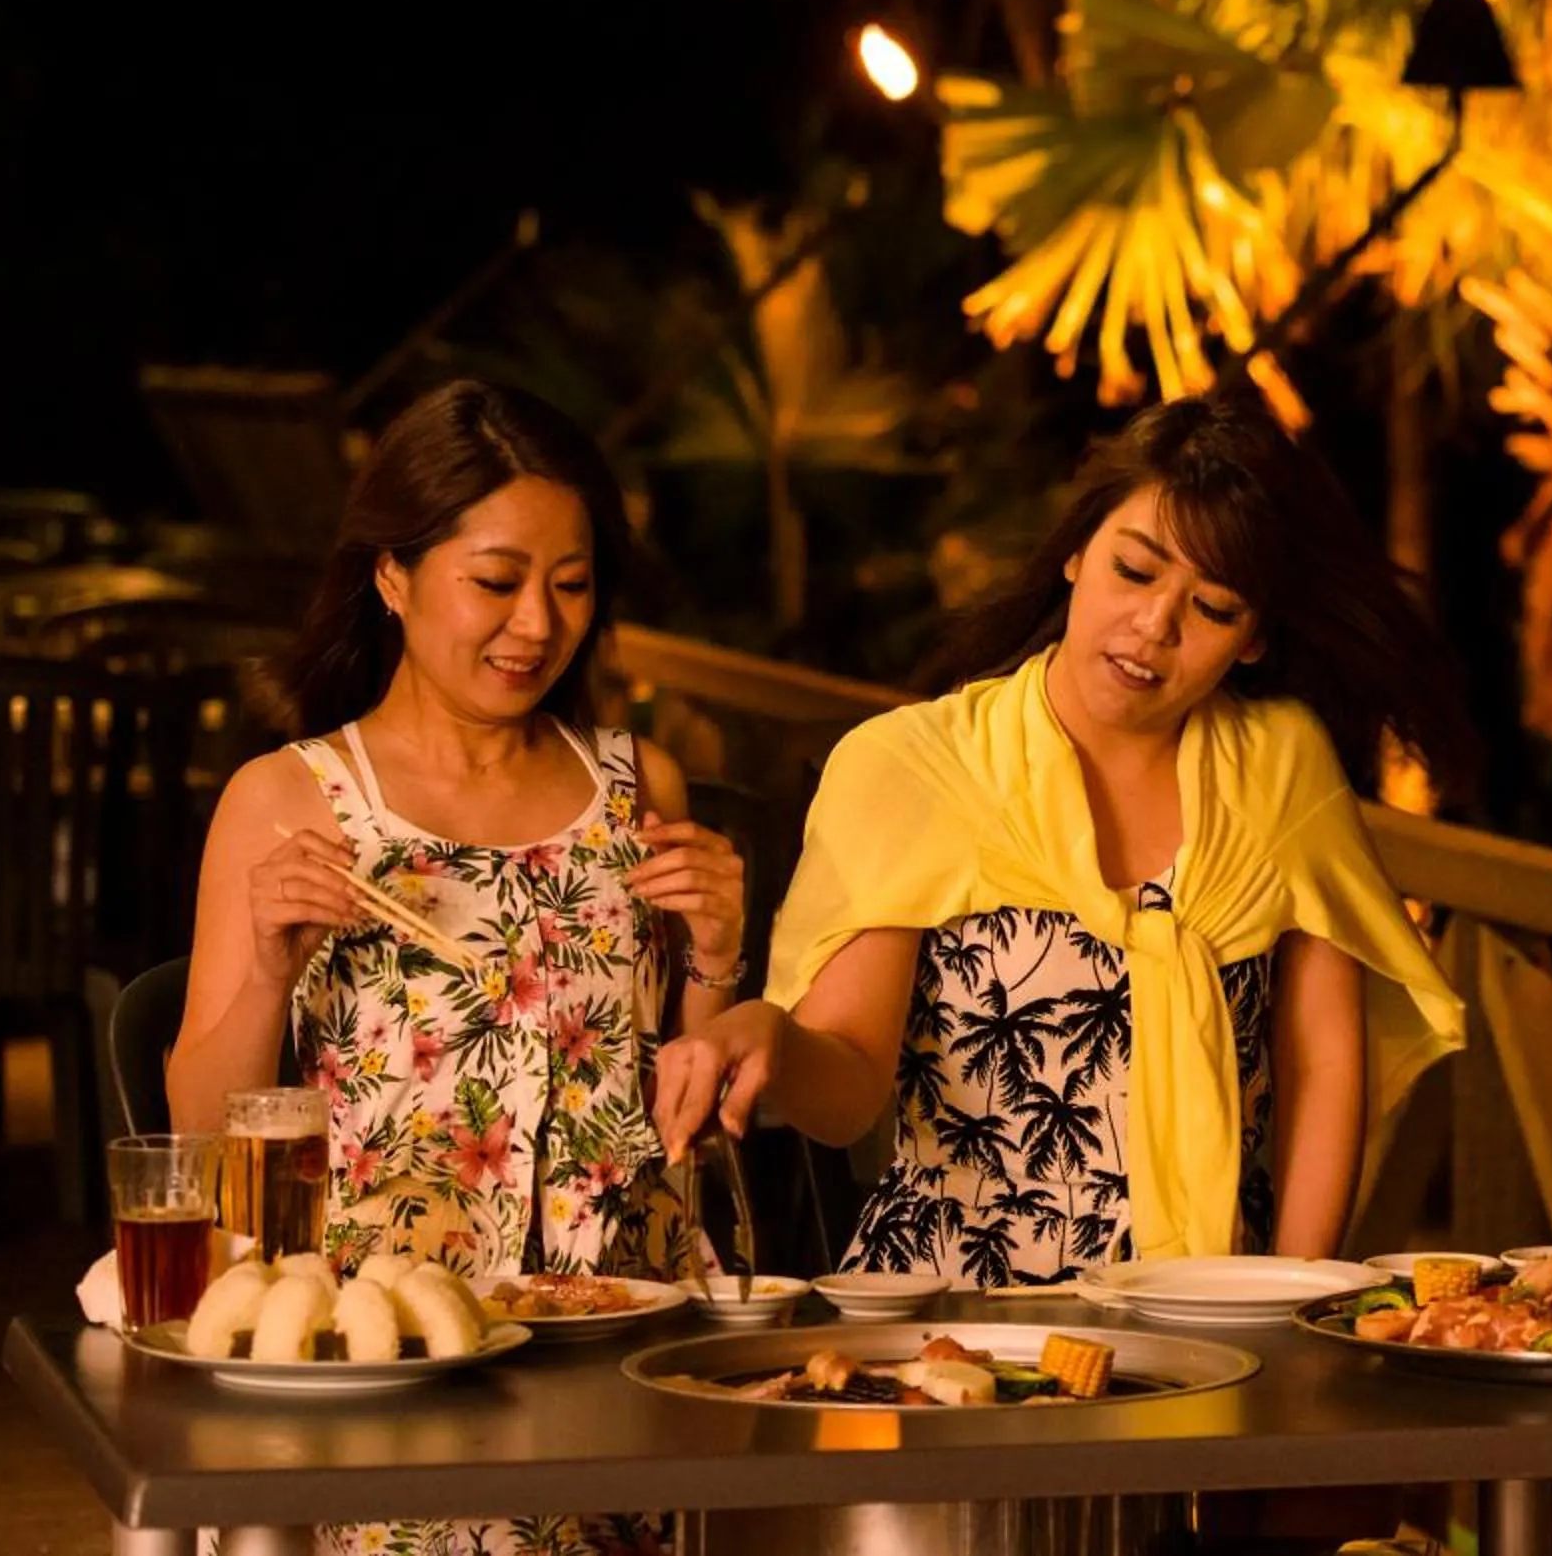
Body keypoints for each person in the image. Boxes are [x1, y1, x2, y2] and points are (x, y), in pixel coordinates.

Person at [653, 385, 1474, 1286]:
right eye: (1135, 569)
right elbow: (848, 1091)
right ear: (1078, 554)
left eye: (1213, 608)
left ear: (1253, 640)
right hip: (951, 1316)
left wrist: (1289, 1299)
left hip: (1211, 1316)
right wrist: (771, 1034)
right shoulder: (915, 766)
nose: (1154, 626)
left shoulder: (1280, 768)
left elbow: (1322, 1067)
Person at [169, 378, 743, 1556]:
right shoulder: (292, 801)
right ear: (393, 575)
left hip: (622, 1352)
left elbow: (693, 1109)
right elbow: (198, 1137)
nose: (535, 624)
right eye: (496, 581)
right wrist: (271, 970)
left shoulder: (642, 791)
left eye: (570, 585)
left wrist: (723, 962)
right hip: (390, 1356)